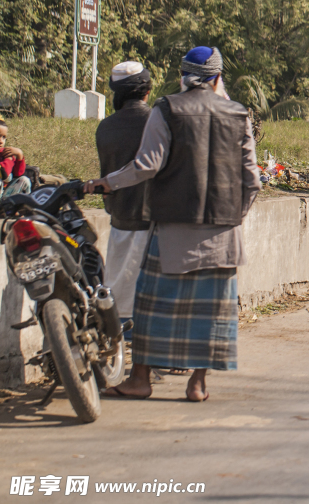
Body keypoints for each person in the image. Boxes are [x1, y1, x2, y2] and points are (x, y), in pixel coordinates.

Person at [85, 47, 262, 402]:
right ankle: (198, 384)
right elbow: (252, 181)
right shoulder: (238, 113)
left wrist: (109, 181)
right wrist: (233, 219)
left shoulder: (166, 109)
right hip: (224, 231)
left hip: (172, 229)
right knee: (212, 311)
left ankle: (140, 380)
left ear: (183, 76)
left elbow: (147, 165)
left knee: (150, 304)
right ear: (217, 78)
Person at [96, 62, 153, 325]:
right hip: (154, 219)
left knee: (118, 291)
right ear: (147, 91)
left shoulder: (105, 127)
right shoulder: (157, 121)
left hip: (120, 217)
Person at [0, 113, 31, 202]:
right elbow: (4, 173)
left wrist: (19, 156)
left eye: (4, 137)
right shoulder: (6, 157)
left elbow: (18, 174)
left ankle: (20, 207)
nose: (1, 141)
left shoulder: (4, 153)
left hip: (4, 194)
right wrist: (9, 159)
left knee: (24, 180)